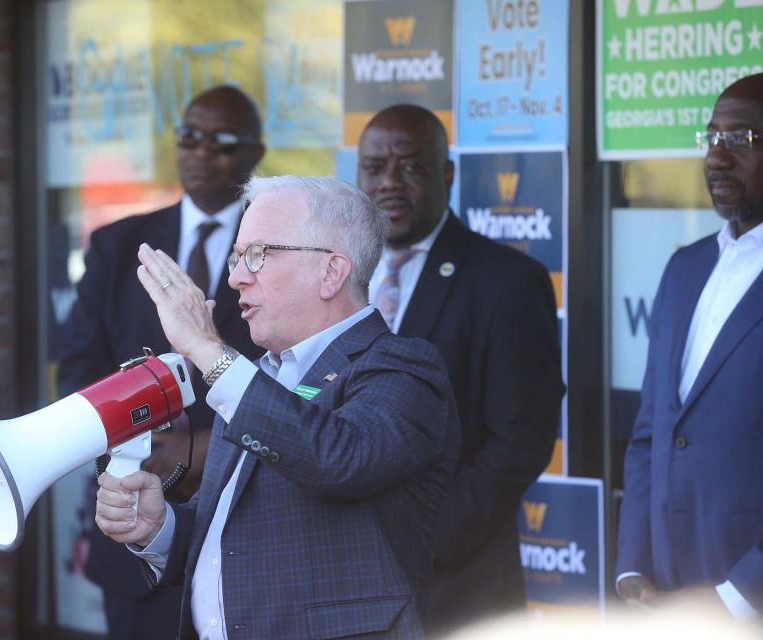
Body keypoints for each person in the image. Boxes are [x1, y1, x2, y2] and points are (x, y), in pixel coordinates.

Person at [94, 175, 460, 639]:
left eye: (257, 255)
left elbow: (339, 458)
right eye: (236, 257)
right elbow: (235, 535)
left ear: (331, 271)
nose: (235, 277)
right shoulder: (257, 377)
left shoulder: (402, 367)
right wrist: (158, 527)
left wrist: (208, 349)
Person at [57, 85, 265, 638]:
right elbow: (78, 371)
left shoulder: (279, 249)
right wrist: (143, 442)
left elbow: (293, 377)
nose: (200, 151)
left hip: (247, 527)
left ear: (255, 154)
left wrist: (201, 451)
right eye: (189, 137)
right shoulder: (119, 244)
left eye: (220, 141)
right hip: (133, 524)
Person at [357, 104, 564, 633]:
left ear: (447, 174)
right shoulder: (338, 276)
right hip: (344, 578)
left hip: (454, 583)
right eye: (374, 167)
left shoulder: (507, 280)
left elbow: (521, 439)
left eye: (411, 166)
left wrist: (427, 538)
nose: (389, 183)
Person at [616, 72, 763, 616]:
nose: (717, 158)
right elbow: (651, 432)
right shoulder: (684, 268)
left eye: (742, 139)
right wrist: (632, 566)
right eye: (711, 138)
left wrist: (735, 599)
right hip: (664, 599)